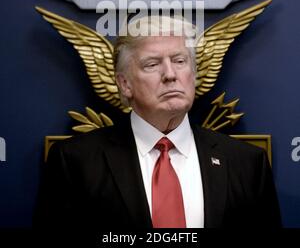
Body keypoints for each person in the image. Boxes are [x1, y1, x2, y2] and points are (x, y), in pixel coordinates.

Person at [34, 15, 281, 230]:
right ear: (124, 84)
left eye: (180, 61)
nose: (170, 74)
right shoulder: (75, 162)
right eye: (152, 64)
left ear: (193, 75)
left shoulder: (248, 164)